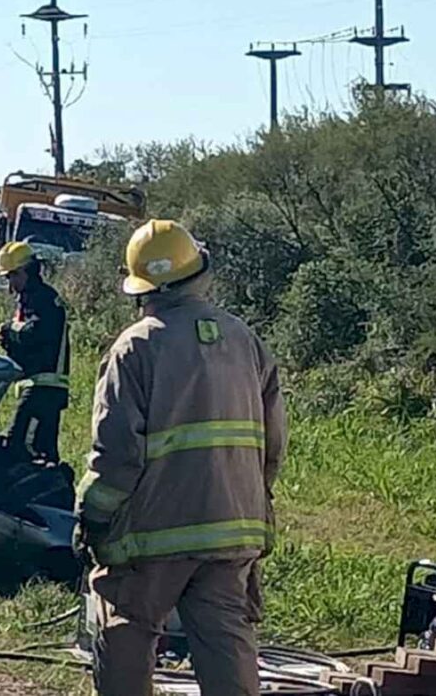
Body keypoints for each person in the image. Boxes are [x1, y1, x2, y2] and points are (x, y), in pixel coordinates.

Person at [74, 219, 286, 696]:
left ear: (141, 289)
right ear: (199, 274)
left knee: (125, 627)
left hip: (151, 535)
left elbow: (117, 455)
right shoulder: (244, 340)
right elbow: (272, 446)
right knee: (225, 642)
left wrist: (92, 517)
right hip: (233, 529)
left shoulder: (135, 348)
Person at [0, 241, 70, 464]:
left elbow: (36, 332)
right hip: (37, 385)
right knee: (43, 450)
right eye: (8, 277)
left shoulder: (44, 299)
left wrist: (8, 330)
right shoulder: (29, 299)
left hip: (45, 387)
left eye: (14, 275)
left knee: (19, 445)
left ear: (29, 270)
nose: (11, 282)